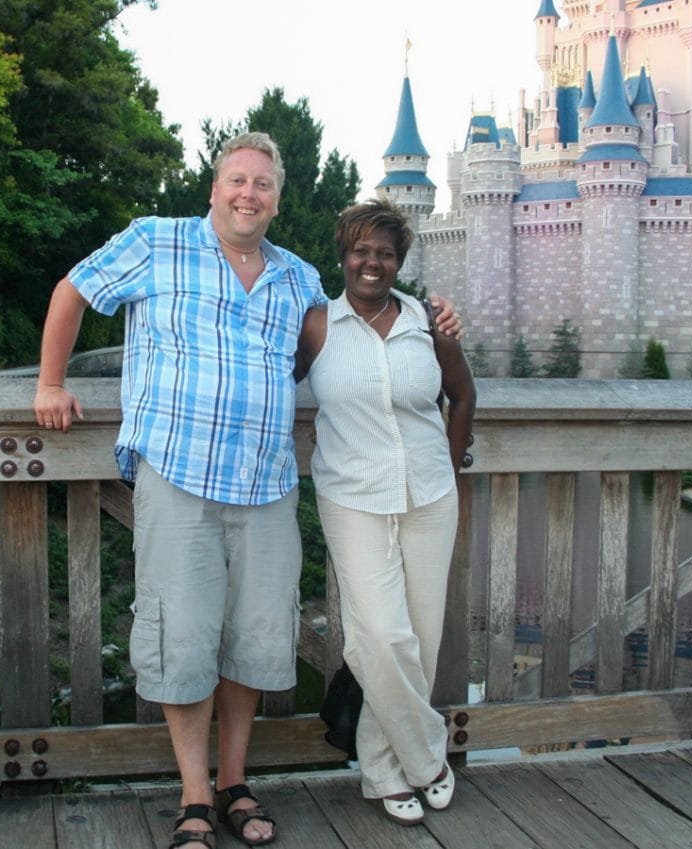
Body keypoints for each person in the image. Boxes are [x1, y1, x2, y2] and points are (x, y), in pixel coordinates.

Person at [33, 133, 462, 849]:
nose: (248, 194)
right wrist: (50, 383)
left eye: (263, 185)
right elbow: (72, 290)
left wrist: (434, 319)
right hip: (178, 474)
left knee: (254, 642)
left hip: (266, 484)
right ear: (215, 188)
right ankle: (194, 796)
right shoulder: (157, 241)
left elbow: (353, 332)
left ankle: (234, 782)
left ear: (277, 200)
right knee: (182, 638)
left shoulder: (296, 278)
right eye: (237, 180)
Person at [295, 199, 477, 825]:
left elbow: (463, 396)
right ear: (343, 256)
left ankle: (383, 772)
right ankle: (428, 759)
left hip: (430, 497)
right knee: (380, 637)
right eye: (361, 251)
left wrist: (447, 468)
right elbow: (269, 382)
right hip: (352, 498)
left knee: (420, 641)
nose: (372, 263)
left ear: (399, 262)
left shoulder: (429, 323)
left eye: (386, 253)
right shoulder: (317, 325)